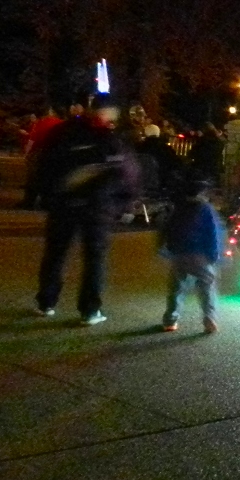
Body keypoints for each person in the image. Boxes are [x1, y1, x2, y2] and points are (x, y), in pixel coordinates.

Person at [34, 94, 139, 325]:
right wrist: (124, 204)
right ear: (110, 112)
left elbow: (44, 165)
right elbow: (127, 175)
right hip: (97, 207)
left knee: (56, 254)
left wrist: (48, 194)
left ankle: (46, 302)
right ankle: (90, 310)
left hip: (64, 203)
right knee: (94, 258)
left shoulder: (63, 132)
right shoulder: (111, 139)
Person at [159, 177, 226, 334]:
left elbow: (167, 228)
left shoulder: (178, 208)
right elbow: (213, 234)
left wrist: (169, 248)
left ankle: (170, 320)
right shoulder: (206, 209)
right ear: (203, 193)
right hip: (200, 256)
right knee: (207, 287)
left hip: (180, 255)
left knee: (176, 288)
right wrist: (214, 255)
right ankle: (209, 319)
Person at [136, 124, 182, 195]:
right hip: (161, 181)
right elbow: (176, 164)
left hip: (141, 181)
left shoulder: (139, 147)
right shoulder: (165, 149)